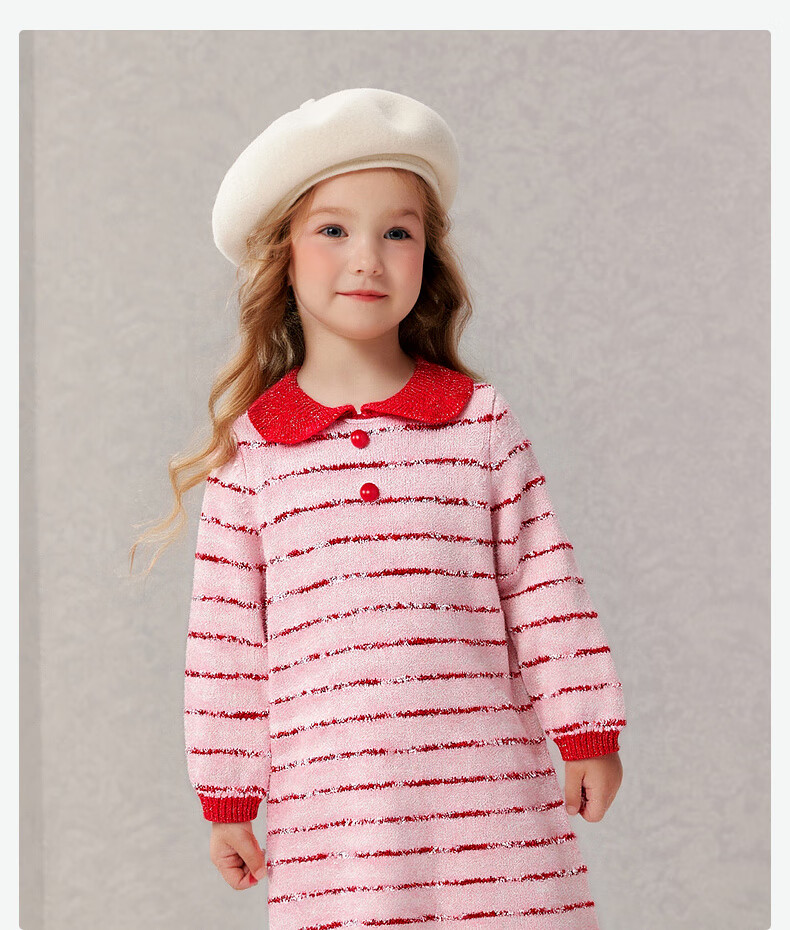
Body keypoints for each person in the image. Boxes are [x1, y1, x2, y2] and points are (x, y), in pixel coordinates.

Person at [130, 87, 626, 929]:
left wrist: (587, 732)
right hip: (337, 831)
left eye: (398, 232)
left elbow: (544, 587)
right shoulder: (254, 455)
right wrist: (227, 799)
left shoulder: (478, 424)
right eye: (333, 229)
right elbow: (225, 645)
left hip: (493, 814)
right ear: (282, 255)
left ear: (427, 255)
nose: (368, 258)